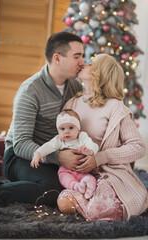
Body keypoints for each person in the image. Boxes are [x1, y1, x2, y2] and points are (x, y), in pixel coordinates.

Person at [0, 31, 85, 206]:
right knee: (53, 191)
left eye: (82, 56)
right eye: (77, 56)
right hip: (20, 157)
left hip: (52, 155)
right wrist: (58, 157)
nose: (82, 63)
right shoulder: (30, 90)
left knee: (78, 188)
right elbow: (20, 144)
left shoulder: (75, 86)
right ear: (57, 58)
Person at [57, 53, 148, 221]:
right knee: (64, 203)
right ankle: (94, 204)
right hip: (78, 174)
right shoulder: (72, 103)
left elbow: (138, 147)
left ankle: (110, 203)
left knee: (96, 209)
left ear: (100, 74)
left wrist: (100, 158)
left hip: (107, 174)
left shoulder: (116, 107)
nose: (84, 64)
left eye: (91, 64)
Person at [30, 109, 99, 200]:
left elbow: (93, 145)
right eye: (62, 129)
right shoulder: (59, 140)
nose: (66, 131)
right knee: (63, 178)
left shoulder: (82, 136)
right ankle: (77, 186)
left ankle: (89, 191)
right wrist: (38, 153)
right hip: (66, 170)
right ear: (58, 130)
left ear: (78, 128)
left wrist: (90, 151)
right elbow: (49, 145)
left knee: (91, 179)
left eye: (71, 128)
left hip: (82, 170)